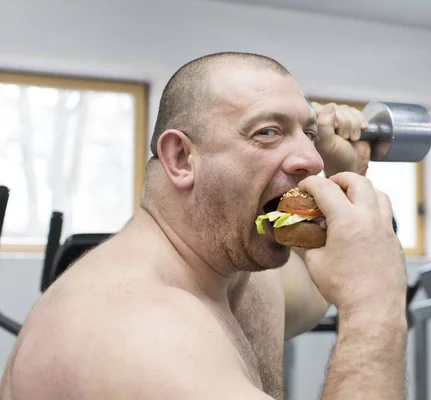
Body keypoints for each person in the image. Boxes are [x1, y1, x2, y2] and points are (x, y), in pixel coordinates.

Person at [0, 52, 408, 400]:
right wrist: (375, 307)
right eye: (268, 132)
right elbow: (355, 300)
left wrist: (341, 172)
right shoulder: (138, 332)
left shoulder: (234, 276)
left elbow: (313, 289)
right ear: (180, 158)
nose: (312, 160)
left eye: (308, 134)